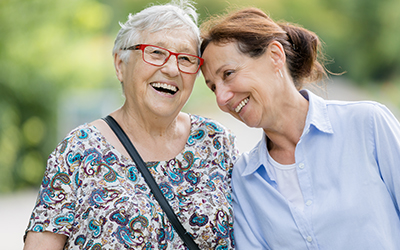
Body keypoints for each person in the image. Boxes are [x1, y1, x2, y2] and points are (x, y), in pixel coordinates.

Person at [24, 1, 238, 249]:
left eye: (186, 58)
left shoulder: (216, 142)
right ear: (120, 64)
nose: (171, 69)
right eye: (156, 52)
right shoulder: (77, 152)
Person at [200, 7, 400, 250]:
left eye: (228, 74)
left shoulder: (367, 125)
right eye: (212, 87)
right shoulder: (245, 178)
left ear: (275, 56)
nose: (221, 98)